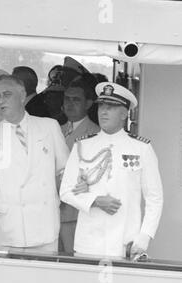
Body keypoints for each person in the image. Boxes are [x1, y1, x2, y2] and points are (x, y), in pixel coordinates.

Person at [60, 82, 163, 258]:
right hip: (89, 242)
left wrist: (144, 237)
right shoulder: (83, 145)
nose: (103, 111)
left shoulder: (141, 148)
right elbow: (66, 191)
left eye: (111, 107)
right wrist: (95, 200)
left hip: (125, 242)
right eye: (101, 106)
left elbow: (154, 198)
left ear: (124, 113)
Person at [0, 75, 69, 250]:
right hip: (8, 229)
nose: (1, 100)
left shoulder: (49, 126)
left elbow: (64, 172)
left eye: (7, 94)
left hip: (44, 225)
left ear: (23, 95)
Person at [59, 75, 100, 254]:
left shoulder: (96, 134)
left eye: (76, 99)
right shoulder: (56, 129)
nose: (70, 103)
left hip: (75, 213)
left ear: (89, 104)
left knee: (71, 263)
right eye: (67, 99)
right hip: (52, 210)